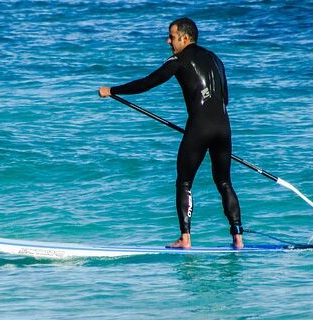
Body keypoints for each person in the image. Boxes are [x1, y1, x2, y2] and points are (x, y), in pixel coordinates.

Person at [98, 17, 244, 249]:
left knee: (184, 182)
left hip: (199, 127)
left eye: (172, 37)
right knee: (224, 182)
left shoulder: (180, 58)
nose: (168, 41)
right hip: (224, 128)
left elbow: (149, 82)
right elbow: (225, 96)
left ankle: (185, 238)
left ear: (185, 38)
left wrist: (112, 90)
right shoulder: (215, 58)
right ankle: (238, 238)